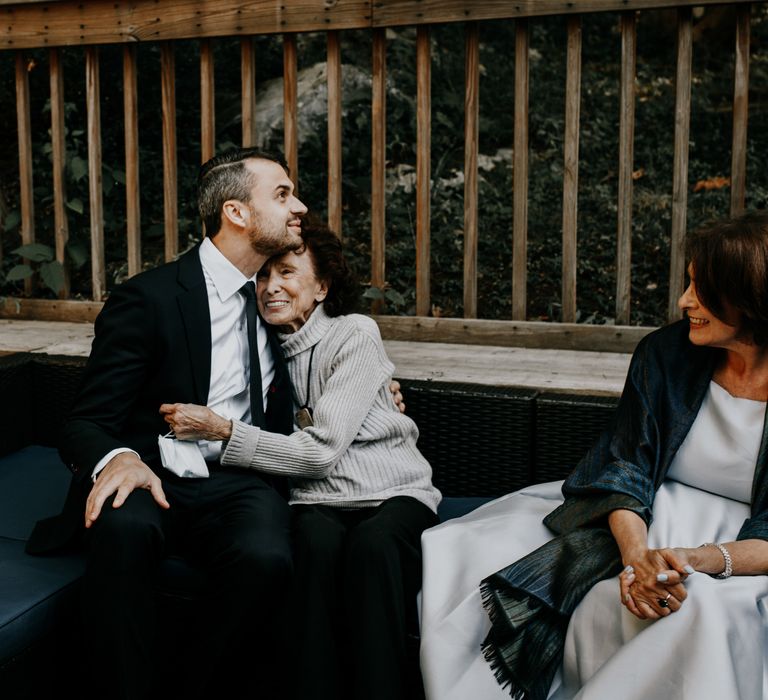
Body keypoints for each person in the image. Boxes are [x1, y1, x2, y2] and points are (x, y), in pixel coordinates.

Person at [419, 209, 768, 700]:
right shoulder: (666, 353)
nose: (684, 301)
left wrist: (699, 561)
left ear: (750, 301)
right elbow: (624, 466)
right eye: (687, 284)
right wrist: (636, 559)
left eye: (701, 290)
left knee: (704, 616)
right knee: (475, 559)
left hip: (746, 552)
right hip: (641, 517)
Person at [25, 148, 310, 700]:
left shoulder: (280, 296)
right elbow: (84, 422)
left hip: (238, 475)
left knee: (268, 558)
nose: (297, 206)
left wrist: (376, 390)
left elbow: (328, 352)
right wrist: (121, 458)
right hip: (148, 470)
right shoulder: (149, 299)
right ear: (237, 213)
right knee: (124, 531)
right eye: (282, 194)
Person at [159, 220, 442, 700]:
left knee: (372, 550)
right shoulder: (258, 348)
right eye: (265, 275)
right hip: (314, 498)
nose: (272, 287)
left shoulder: (354, 333)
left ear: (322, 287)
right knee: (311, 547)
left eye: (288, 273)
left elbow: (322, 451)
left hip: (393, 490)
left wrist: (223, 431)